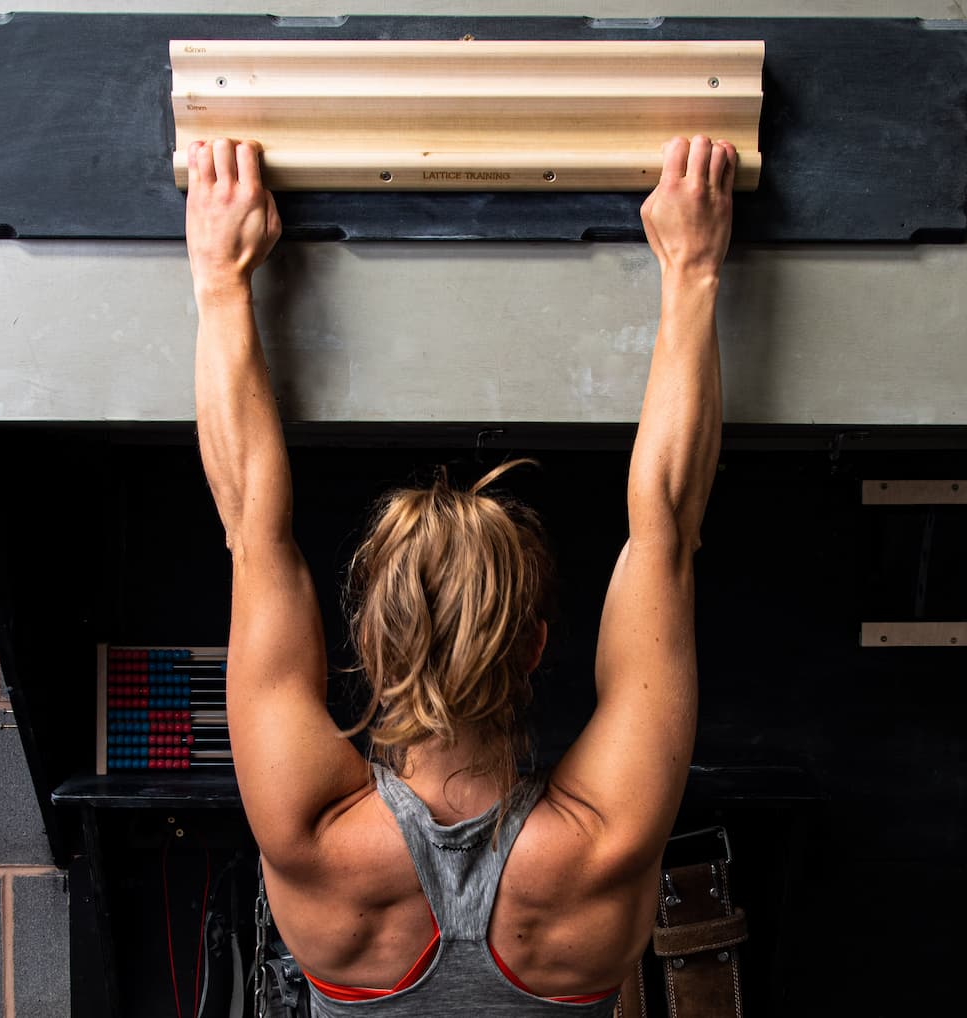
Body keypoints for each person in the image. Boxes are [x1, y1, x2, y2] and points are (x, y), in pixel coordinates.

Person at [186, 134, 735, 1015]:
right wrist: (693, 270)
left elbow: (253, 524)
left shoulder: (311, 837)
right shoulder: (603, 843)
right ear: (534, 651)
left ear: (367, 642)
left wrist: (219, 282)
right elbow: (666, 527)